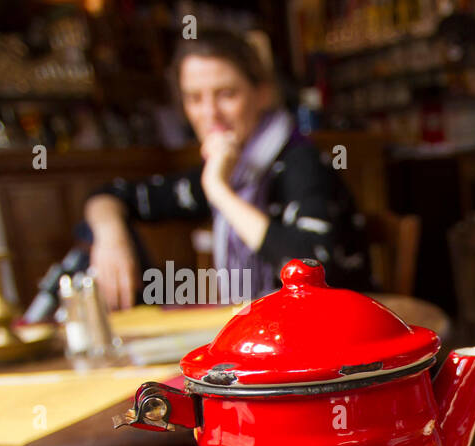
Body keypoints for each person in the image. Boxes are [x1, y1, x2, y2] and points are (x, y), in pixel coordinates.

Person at [85, 30, 370, 309]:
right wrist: (110, 235)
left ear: (262, 94)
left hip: (341, 339)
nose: (210, 114)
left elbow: (314, 269)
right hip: (264, 339)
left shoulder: (301, 162)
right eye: (194, 98)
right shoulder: (233, 171)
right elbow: (112, 195)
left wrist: (220, 193)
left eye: (227, 94)